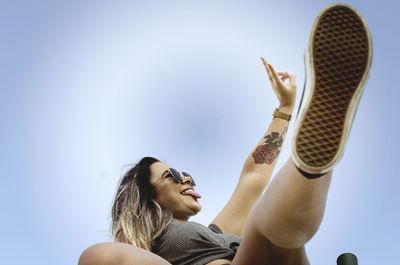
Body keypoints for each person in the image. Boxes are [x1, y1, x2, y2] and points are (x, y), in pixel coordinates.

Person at [78, 3, 372, 265]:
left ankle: (314, 159)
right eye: (173, 175)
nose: (188, 178)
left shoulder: (216, 233)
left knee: (269, 222)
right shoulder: (149, 245)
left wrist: (285, 109)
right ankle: (313, 161)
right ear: (146, 196)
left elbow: (254, 177)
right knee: (97, 255)